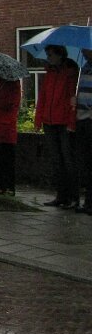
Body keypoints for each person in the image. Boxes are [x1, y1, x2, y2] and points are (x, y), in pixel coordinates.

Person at [36, 45, 80, 209]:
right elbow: (43, 97)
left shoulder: (69, 74)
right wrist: (39, 118)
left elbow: (72, 100)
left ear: (60, 55)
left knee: (68, 161)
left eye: (50, 55)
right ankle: (61, 195)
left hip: (63, 122)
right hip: (49, 121)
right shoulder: (49, 74)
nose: (48, 58)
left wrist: (71, 122)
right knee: (56, 160)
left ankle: (73, 197)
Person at [75, 51, 92, 214]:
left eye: (86, 50)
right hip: (81, 118)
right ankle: (88, 201)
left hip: (90, 119)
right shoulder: (85, 68)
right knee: (85, 162)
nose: (83, 52)